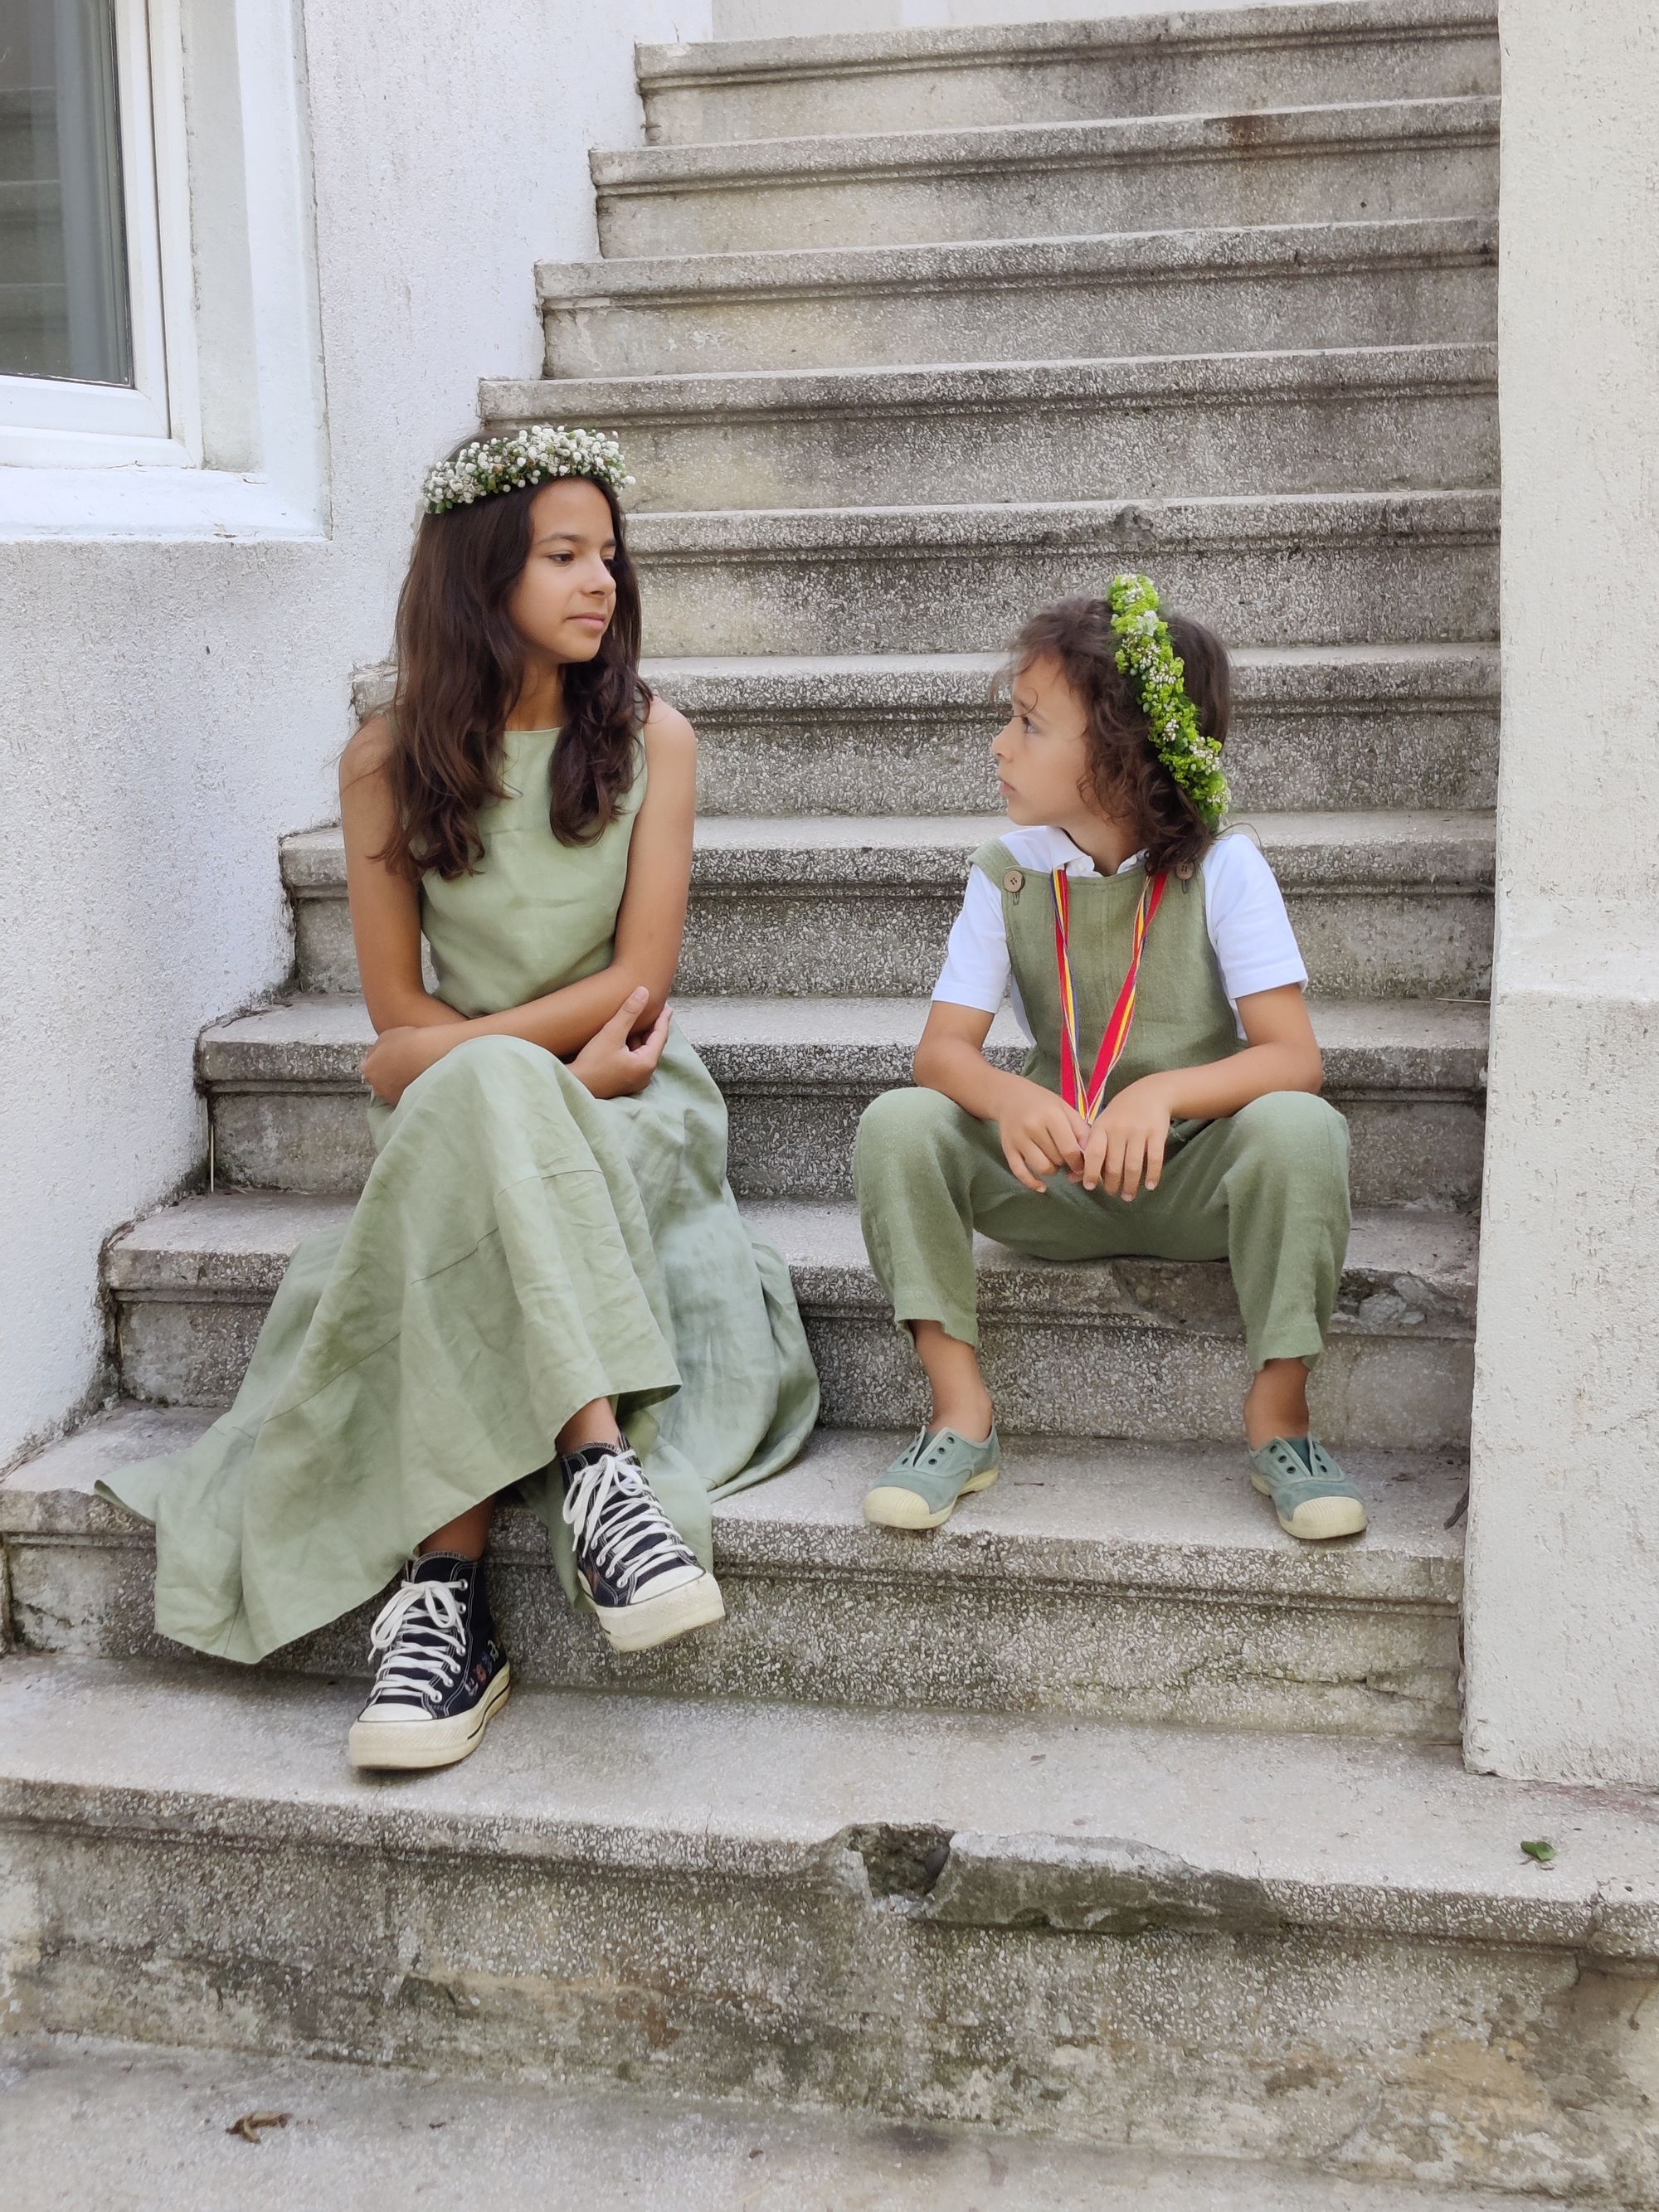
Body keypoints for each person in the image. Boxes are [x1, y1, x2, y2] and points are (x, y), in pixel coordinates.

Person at [100, 425, 819, 1770]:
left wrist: (487, 1063)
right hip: (505, 1091)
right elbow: (394, 1006)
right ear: (482, 575)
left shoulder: (655, 739)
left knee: (465, 1142)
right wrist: (502, 1066)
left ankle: (446, 1599)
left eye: (609, 555)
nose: (602, 582)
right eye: (565, 556)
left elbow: (638, 981)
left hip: (627, 1092)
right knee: (477, 1124)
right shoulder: (385, 761)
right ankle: (597, 1474)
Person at [854, 576, 1363, 1544]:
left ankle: (1280, 1419)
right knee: (897, 1125)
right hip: (1054, 1180)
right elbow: (941, 1052)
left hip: (1196, 1180)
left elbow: (1293, 1058)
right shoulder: (1007, 873)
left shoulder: (1223, 869)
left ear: (1122, 755)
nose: (999, 745)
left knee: (1302, 1131)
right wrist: (1005, 1099)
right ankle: (960, 1412)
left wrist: (1164, 1092)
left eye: (1028, 724)